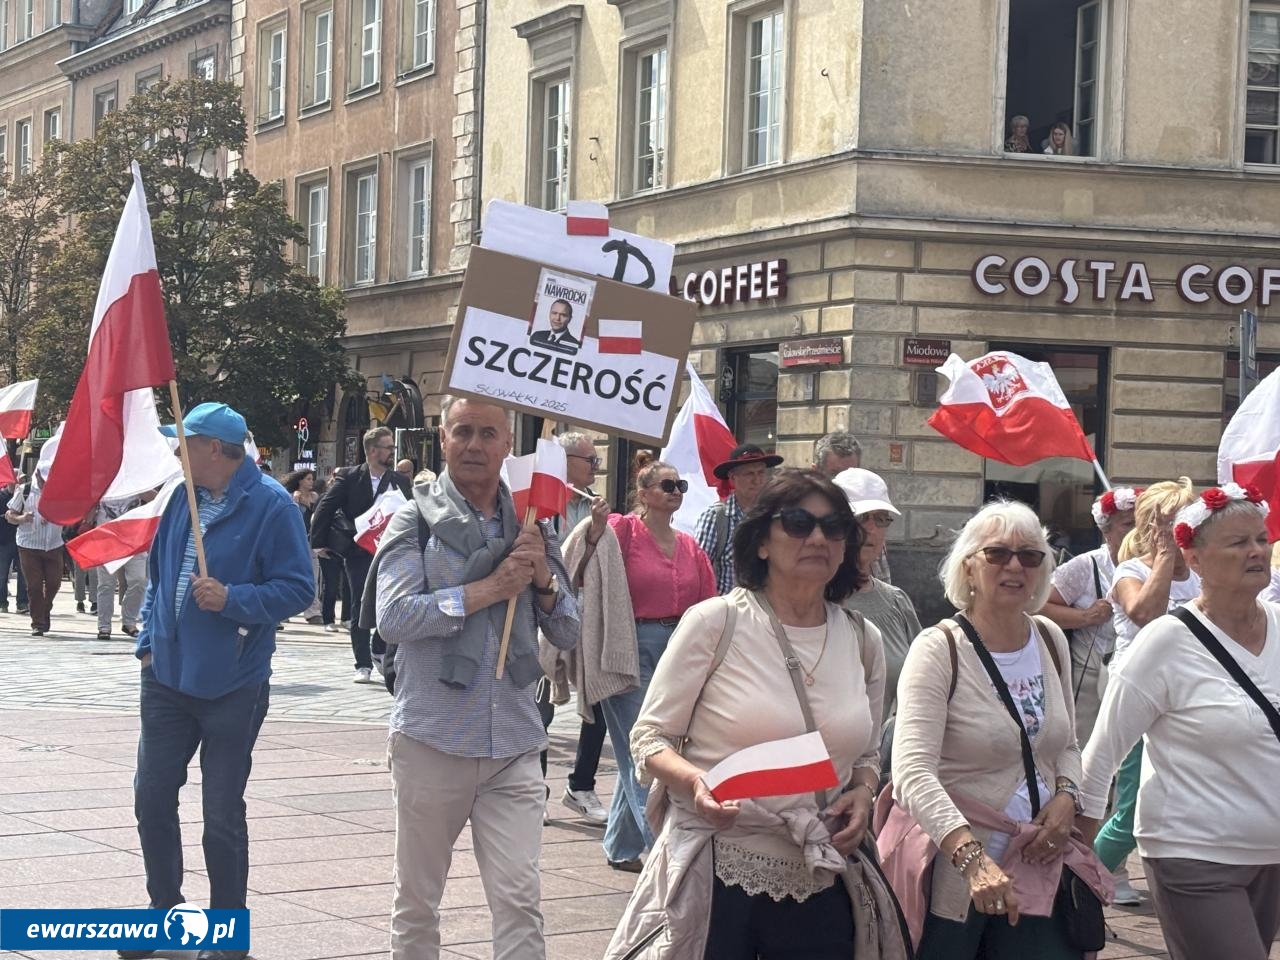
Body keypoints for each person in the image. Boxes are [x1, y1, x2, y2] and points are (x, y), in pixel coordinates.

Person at [607, 469, 906, 959]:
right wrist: (695, 783)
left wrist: (863, 791)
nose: (817, 538)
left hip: (823, 871)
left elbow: (868, 750)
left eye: (834, 528)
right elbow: (650, 737)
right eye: (797, 522)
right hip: (719, 874)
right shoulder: (716, 622)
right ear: (762, 541)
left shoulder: (862, 639)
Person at [372, 395, 579, 960]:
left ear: (507, 445)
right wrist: (486, 591)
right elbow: (393, 619)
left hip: (513, 740)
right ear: (442, 439)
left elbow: (569, 633)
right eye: (462, 432)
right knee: (418, 900)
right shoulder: (413, 519)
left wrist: (541, 582)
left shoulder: (533, 522)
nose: (475, 445)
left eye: (488, 434)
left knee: (520, 899)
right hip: (434, 739)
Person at [120, 402, 313, 960]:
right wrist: (147, 647)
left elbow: (299, 588)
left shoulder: (272, 506)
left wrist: (234, 600)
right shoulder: (182, 495)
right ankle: (164, 912)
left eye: (183, 442)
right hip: (167, 679)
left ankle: (228, 931)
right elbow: (159, 574)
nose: (176, 452)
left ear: (212, 449)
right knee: (152, 796)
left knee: (221, 811)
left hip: (233, 682)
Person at [888, 500, 1103, 959]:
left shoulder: (1048, 637)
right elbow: (912, 772)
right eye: (997, 554)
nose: (1014, 566)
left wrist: (1066, 798)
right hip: (959, 868)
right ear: (968, 566)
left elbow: (1065, 743)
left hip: (1038, 861)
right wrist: (970, 858)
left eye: (1030, 556)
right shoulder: (940, 647)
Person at [1079, 484, 1280, 960]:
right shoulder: (1167, 642)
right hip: (1193, 853)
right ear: (1194, 556)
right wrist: (1076, 856)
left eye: (1261, 538)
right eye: (1238, 543)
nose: (1256, 551)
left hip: (1270, 855)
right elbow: (1103, 750)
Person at [565, 457, 715, 871]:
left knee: (644, 747)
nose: (676, 493)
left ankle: (620, 845)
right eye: (668, 485)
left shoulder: (689, 545)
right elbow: (581, 564)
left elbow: (707, 601)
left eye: (680, 486)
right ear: (643, 493)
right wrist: (594, 529)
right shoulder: (622, 529)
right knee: (647, 751)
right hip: (626, 647)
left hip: (678, 647)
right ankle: (665, 854)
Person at [1095, 478, 1200, 906]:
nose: (1192, 527)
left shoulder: (1199, 575)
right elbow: (1145, 614)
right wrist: (1163, 555)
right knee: (1130, 806)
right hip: (1141, 701)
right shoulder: (1131, 570)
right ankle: (1079, 881)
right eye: (1181, 520)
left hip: (1189, 701)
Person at [1039, 487, 1140, 747]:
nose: (1137, 532)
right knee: (1085, 742)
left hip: (1139, 671)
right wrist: (1085, 616)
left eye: (1142, 524)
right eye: (1128, 524)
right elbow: (1038, 607)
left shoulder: (1157, 568)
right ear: (1106, 532)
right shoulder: (1086, 566)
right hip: (1091, 671)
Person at [310, 426, 412, 683]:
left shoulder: (399, 481)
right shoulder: (350, 477)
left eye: (392, 448)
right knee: (360, 603)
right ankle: (362, 663)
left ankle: (379, 646)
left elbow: (413, 513)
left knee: (391, 601)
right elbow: (325, 507)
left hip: (391, 553)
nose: (392, 452)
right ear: (372, 450)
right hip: (358, 552)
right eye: (388, 447)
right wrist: (318, 542)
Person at [548, 431, 611, 826]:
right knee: (537, 706)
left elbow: (588, 564)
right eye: (591, 461)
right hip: (542, 612)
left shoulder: (594, 506)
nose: (597, 468)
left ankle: (581, 786)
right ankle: (534, 790)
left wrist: (597, 531)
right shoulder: (542, 501)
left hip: (584, 614)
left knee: (598, 700)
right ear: (567, 460)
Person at [833, 468, 921, 723]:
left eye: (881, 518)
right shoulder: (810, 601)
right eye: (861, 518)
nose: (870, 529)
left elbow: (923, 685)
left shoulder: (896, 602)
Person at [695, 444, 782, 595]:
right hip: (730, 613)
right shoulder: (716, 518)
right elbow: (698, 570)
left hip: (772, 611)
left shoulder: (777, 515)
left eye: (761, 473)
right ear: (733, 478)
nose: (757, 480)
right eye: (749, 474)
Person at [6, 466, 64, 636]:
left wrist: (54, 516)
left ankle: (44, 609)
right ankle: (38, 622)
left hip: (53, 545)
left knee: (54, 583)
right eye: (43, 478)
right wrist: (22, 518)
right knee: (34, 585)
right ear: (37, 474)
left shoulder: (60, 492)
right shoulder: (25, 491)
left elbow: (70, 515)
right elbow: (10, 515)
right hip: (29, 545)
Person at [93, 494, 150, 640]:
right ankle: (104, 626)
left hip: (133, 539)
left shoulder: (136, 479)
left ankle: (129, 621)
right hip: (106, 538)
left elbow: (154, 497)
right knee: (106, 584)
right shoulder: (103, 481)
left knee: (139, 580)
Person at [284, 469, 324, 625]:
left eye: (312, 479)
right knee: (288, 575)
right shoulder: (292, 497)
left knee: (313, 576)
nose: (311, 482)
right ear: (300, 481)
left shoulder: (315, 497)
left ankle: (313, 611)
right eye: (308, 479)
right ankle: (284, 610)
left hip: (311, 540)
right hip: (294, 540)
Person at [0, 478, 28, 614]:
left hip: (22, 541)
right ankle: (2, 602)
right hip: (4, 542)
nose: (19, 481)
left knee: (23, 574)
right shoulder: (1, 496)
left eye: (22, 479)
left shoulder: (24, 495)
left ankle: (22, 603)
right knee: (2, 575)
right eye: (17, 479)